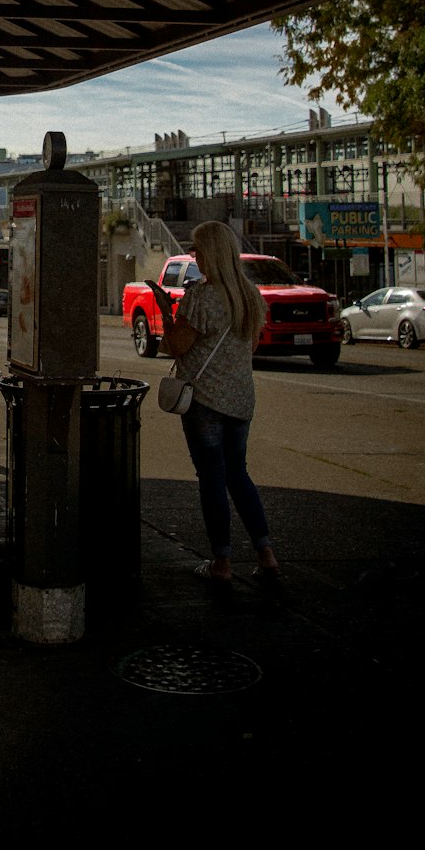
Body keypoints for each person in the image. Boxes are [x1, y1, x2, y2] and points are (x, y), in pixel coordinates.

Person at [157, 219, 280, 584]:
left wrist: (167, 312)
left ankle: (222, 563)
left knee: (211, 479)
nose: (193, 255)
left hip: (204, 402)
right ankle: (266, 554)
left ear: (211, 253)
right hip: (241, 401)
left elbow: (178, 345)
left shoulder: (201, 296)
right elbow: (250, 347)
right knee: (238, 475)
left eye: (197, 248)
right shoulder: (250, 295)